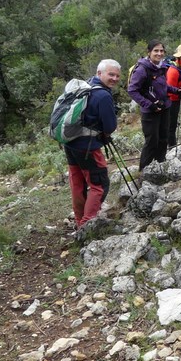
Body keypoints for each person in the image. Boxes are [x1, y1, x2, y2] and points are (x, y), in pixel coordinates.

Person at [64, 59, 120, 235]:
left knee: (78, 183)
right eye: (111, 74)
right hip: (87, 146)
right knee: (99, 184)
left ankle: (80, 221)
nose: (115, 78)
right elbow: (110, 127)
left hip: (70, 142)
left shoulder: (85, 86)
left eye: (117, 75)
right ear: (99, 73)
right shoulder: (103, 95)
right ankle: (87, 227)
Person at [128, 40, 181, 170]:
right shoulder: (142, 69)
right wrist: (149, 104)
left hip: (165, 107)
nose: (159, 53)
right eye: (156, 51)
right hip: (150, 111)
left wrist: (176, 90)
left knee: (163, 138)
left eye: (161, 51)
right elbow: (132, 90)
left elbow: (163, 86)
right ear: (149, 52)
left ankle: (160, 166)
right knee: (152, 141)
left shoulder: (162, 66)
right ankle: (144, 171)